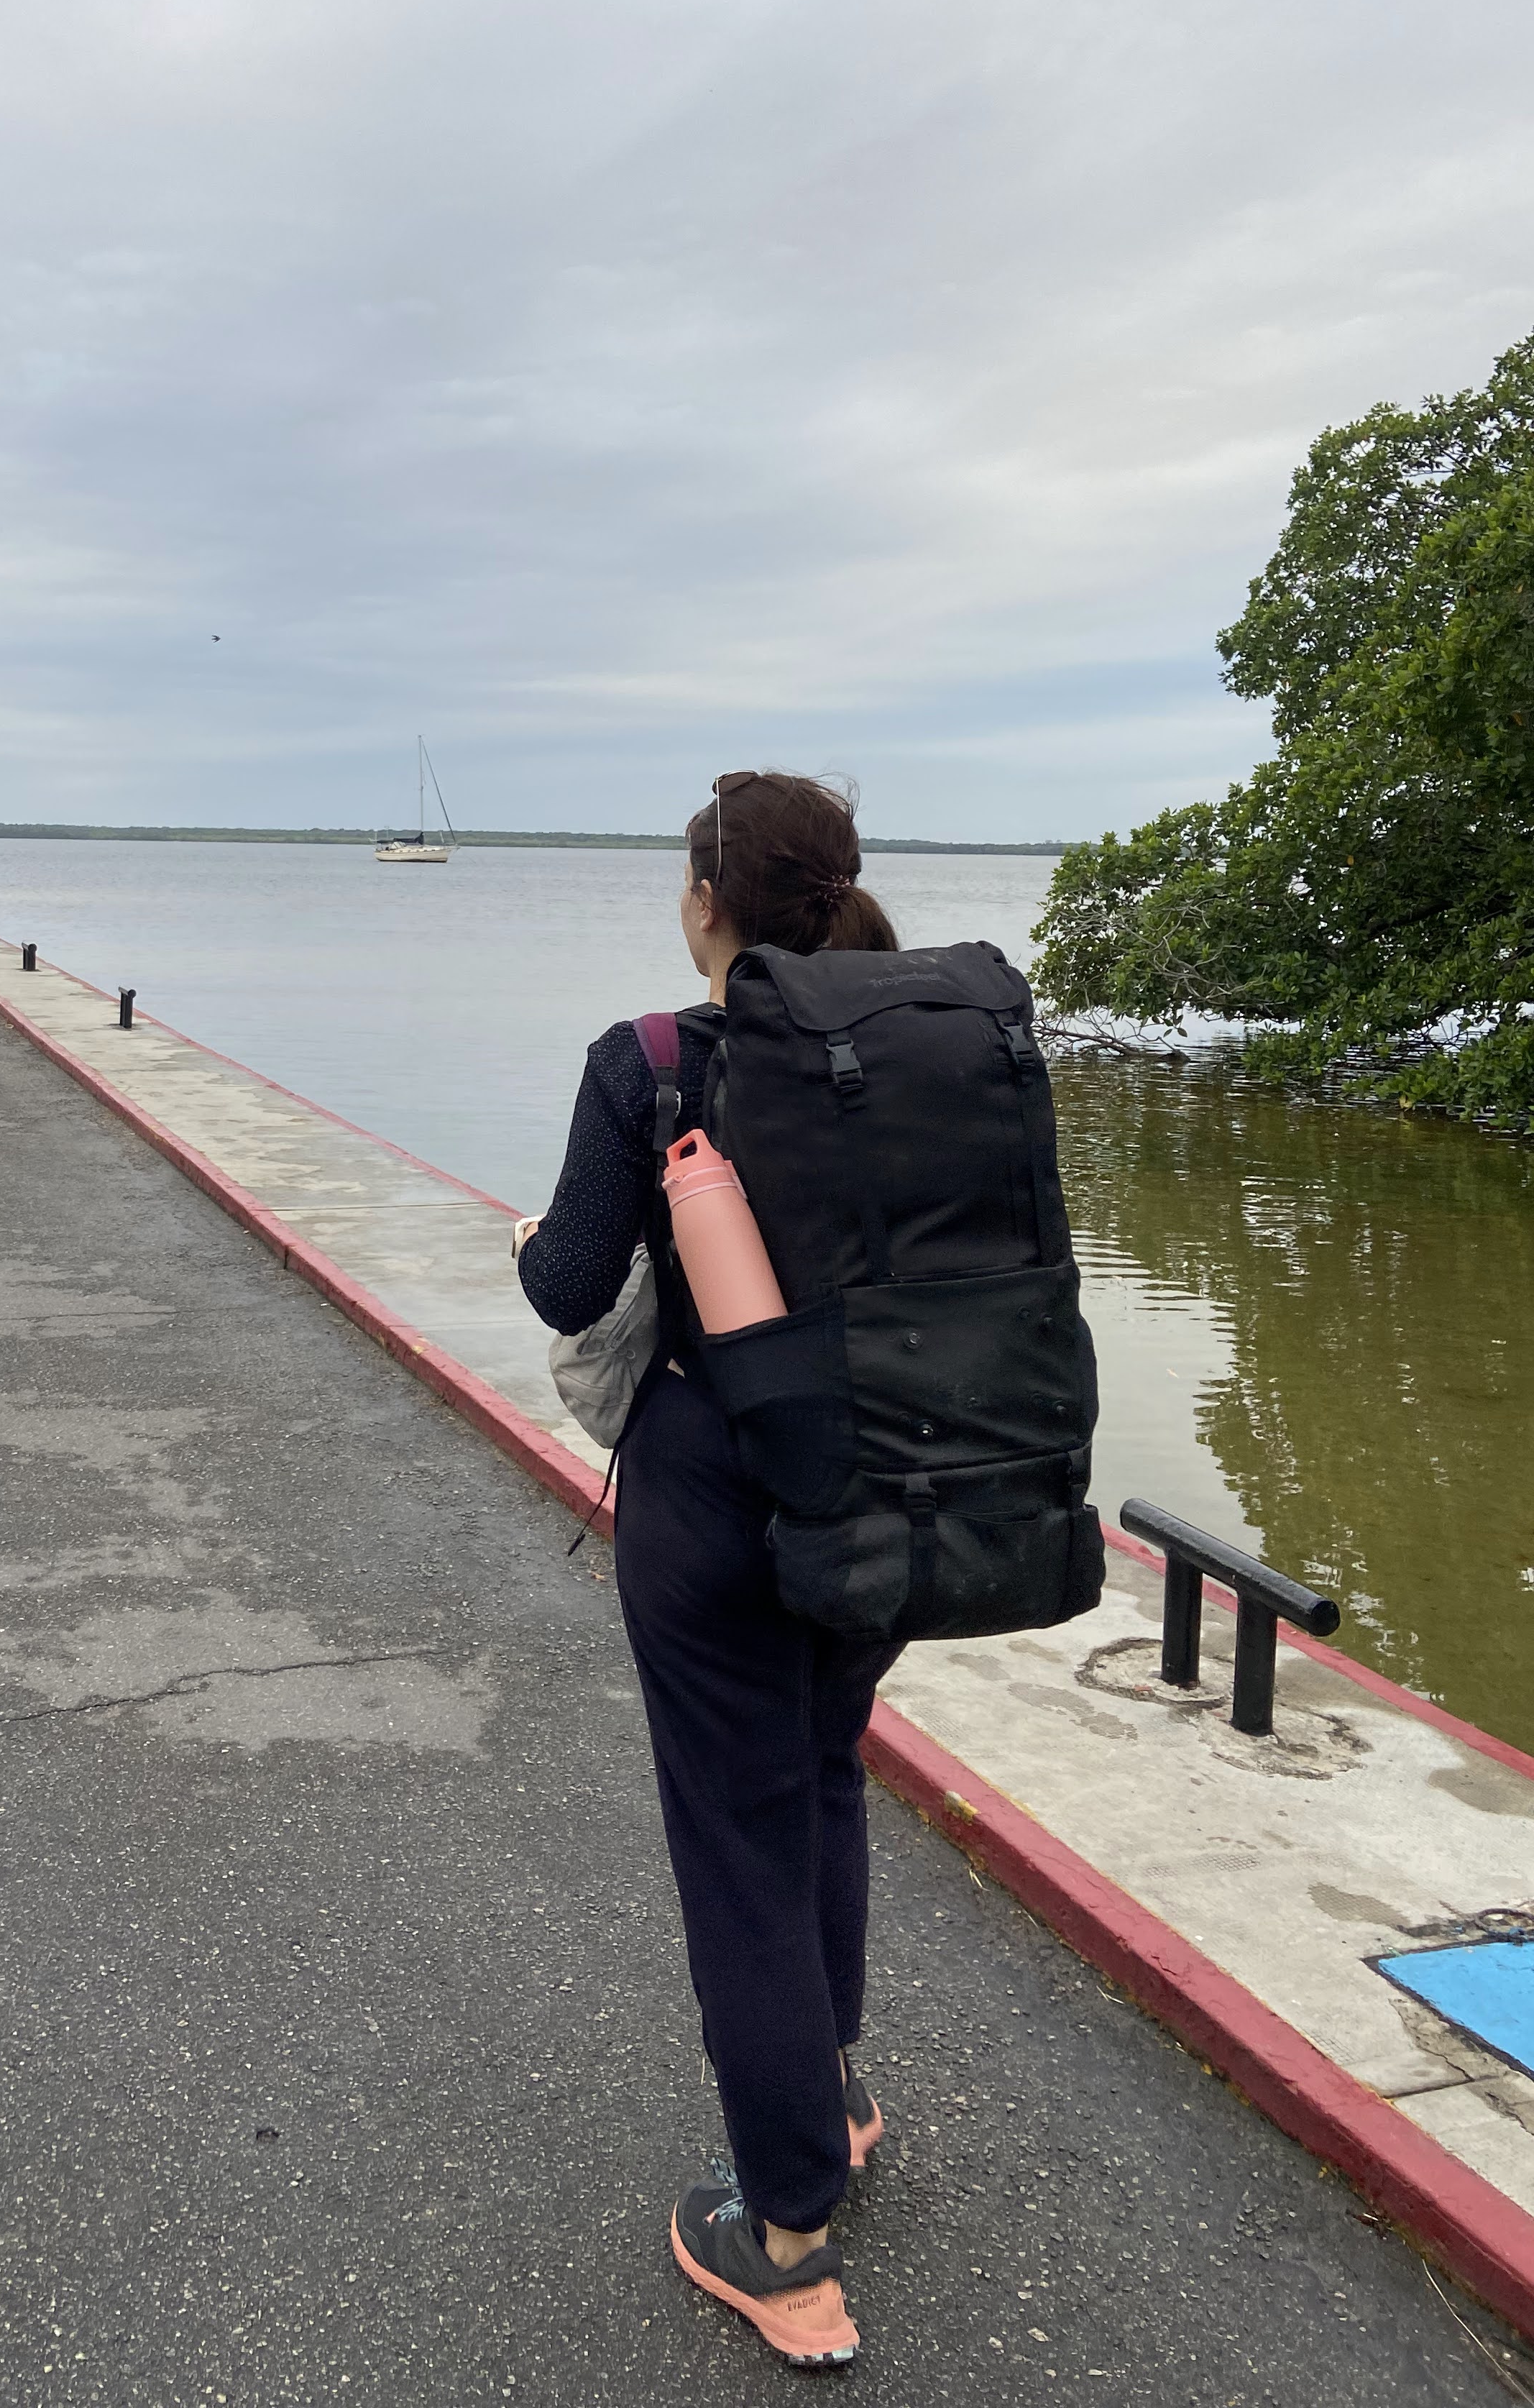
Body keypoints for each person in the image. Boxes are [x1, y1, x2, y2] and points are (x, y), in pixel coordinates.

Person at [515, 772, 902, 2373]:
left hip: (721, 1497)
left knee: (738, 1831)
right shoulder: (919, 1048)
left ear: (708, 903)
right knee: (821, 1772)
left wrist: (538, 1238)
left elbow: (567, 1285)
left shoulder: (658, 1060)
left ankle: (791, 2237)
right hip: (893, 1492)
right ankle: (837, 2089)